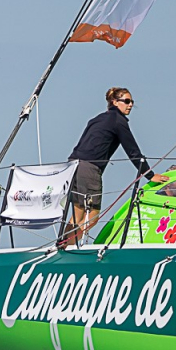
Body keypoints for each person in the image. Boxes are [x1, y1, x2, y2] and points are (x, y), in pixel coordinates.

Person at [63, 87, 165, 245]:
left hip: (73, 164)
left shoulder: (98, 118)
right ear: (114, 102)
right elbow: (132, 151)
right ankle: (68, 244)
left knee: (78, 212)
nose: (130, 105)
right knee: (94, 215)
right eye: (126, 101)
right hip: (89, 167)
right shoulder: (119, 121)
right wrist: (150, 175)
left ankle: (63, 246)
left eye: (132, 102)